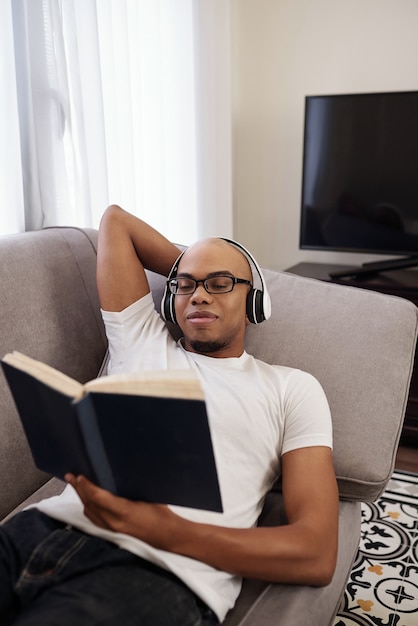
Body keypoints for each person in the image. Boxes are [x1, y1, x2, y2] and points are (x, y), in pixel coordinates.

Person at [0, 205, 339, 625]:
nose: (198, 295)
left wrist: (162, 529)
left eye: (220, 284)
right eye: (185, 285)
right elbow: (116, 222)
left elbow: (316, 553)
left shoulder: (292, 388)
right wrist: (196, 272)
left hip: (155, 573)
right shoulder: (141, 338)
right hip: (35, 534)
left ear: (254, 300)